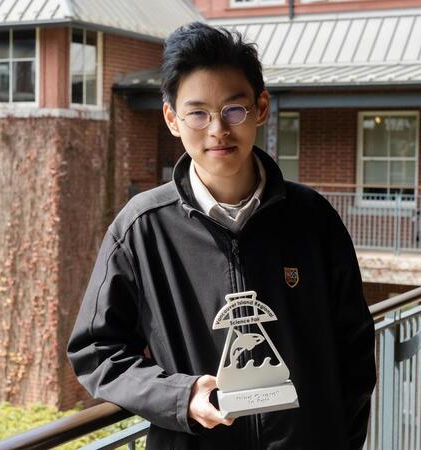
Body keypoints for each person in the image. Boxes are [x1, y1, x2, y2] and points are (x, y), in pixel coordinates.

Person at [67, 22, 376, 449]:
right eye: (198, 113)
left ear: (261, 107)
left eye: (234, 110)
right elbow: (96, 351)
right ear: (172, 118)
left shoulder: (313, 219)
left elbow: (355, 353)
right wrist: (180, 396)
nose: (217, 129)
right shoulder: (141, 228)